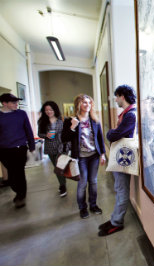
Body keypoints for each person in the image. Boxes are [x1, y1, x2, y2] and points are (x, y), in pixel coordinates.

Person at [98, 85, 136, 236]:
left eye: (116, 96)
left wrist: (109, 132)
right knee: (119, 188)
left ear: (122, 96)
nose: (115, 100)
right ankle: (115, 218)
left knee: (121, 189)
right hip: (122, 154)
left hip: (124, 155)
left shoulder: (131, 115)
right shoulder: (127, 113)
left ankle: (117, 222)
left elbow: (114, 135)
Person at [61, 94, 106, 219]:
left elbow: (100, 138)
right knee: (82, 183)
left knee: (93, 181)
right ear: (78, 104)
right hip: (80, 158)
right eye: (84, 102)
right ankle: (82, 208)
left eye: (89, 102)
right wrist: (72, 126)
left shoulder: (95, 120)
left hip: (94, 156)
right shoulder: (70, 120)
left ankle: (93, 205)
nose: (87, 105)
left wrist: (102, 154)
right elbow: (64, 139)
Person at [0, 93, 35, 208]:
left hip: (20, 148)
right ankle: (17, 190)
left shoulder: (21, 114)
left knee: (19, 172)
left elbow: (28, 130)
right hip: (4, 150)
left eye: (17, 102)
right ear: (4, 103)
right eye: (13, 102)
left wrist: (32, 145)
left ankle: (21, 196)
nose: (16, 104)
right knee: (11, 175)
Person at [38, 101, 67, 197]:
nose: (48, 111)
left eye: (50, 109)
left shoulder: (62, 120)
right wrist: (46, 135)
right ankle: (62, 185)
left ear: (55, 110)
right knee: (57, 168)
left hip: (61, 147)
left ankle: (63, 186)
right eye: (46, 110)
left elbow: (67, 135)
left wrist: (68, 147)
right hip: (50, 148)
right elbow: (39, 134)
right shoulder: (42, 122)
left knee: (60, 167)